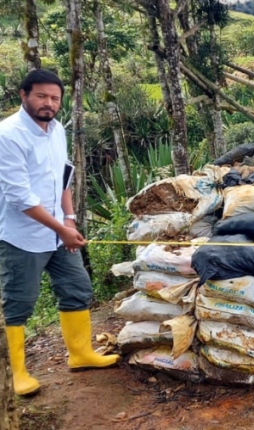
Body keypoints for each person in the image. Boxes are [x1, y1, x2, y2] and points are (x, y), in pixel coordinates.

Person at [0, 70, 120, 396]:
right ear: (23, 95)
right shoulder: (8, 135)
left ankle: (80, 354)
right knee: (19, 302)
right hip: (21, 236)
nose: (48, 103)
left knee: (77, 288)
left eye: (54, 98)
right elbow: (20, 198)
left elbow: (63, 176)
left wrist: (69, 220)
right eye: (41, 96)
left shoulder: (57, 130)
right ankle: (15, 375)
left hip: (57, 232)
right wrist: (61, 229)